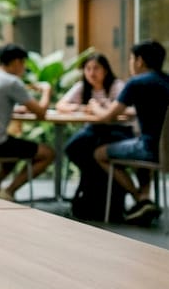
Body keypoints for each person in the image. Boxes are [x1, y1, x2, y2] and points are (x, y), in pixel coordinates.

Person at [93, 39, 169, 225]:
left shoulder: (137, 83)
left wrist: (95, 106)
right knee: (138, 145)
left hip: (152, 149)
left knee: (100, 153)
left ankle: (140, 199)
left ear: (139, 61)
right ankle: (144, 198)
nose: (130, 63)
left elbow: (108, 117)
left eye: (131, 59)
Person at [0, 43, 55, 200]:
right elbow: (41, 113)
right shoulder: (11, 82)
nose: (24, 68)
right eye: (23, 63)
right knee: (48, 154)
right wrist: (47, 90)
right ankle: (9, 191)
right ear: (16, 62)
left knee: (14, 145)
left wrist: (13, 110)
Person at [57, 53, 136, 210]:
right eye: (88, 69)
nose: (91, 73)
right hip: (94, 129)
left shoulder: (116, 86)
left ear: (105, 70)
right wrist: (80, 108)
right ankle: (92, 185)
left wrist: (101, 108)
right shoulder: (82, 87)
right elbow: (61, 104)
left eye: (96, 68)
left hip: (116, 131)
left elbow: (128, 111)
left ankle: (101, 189)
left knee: (92, 148)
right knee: (73, 148)